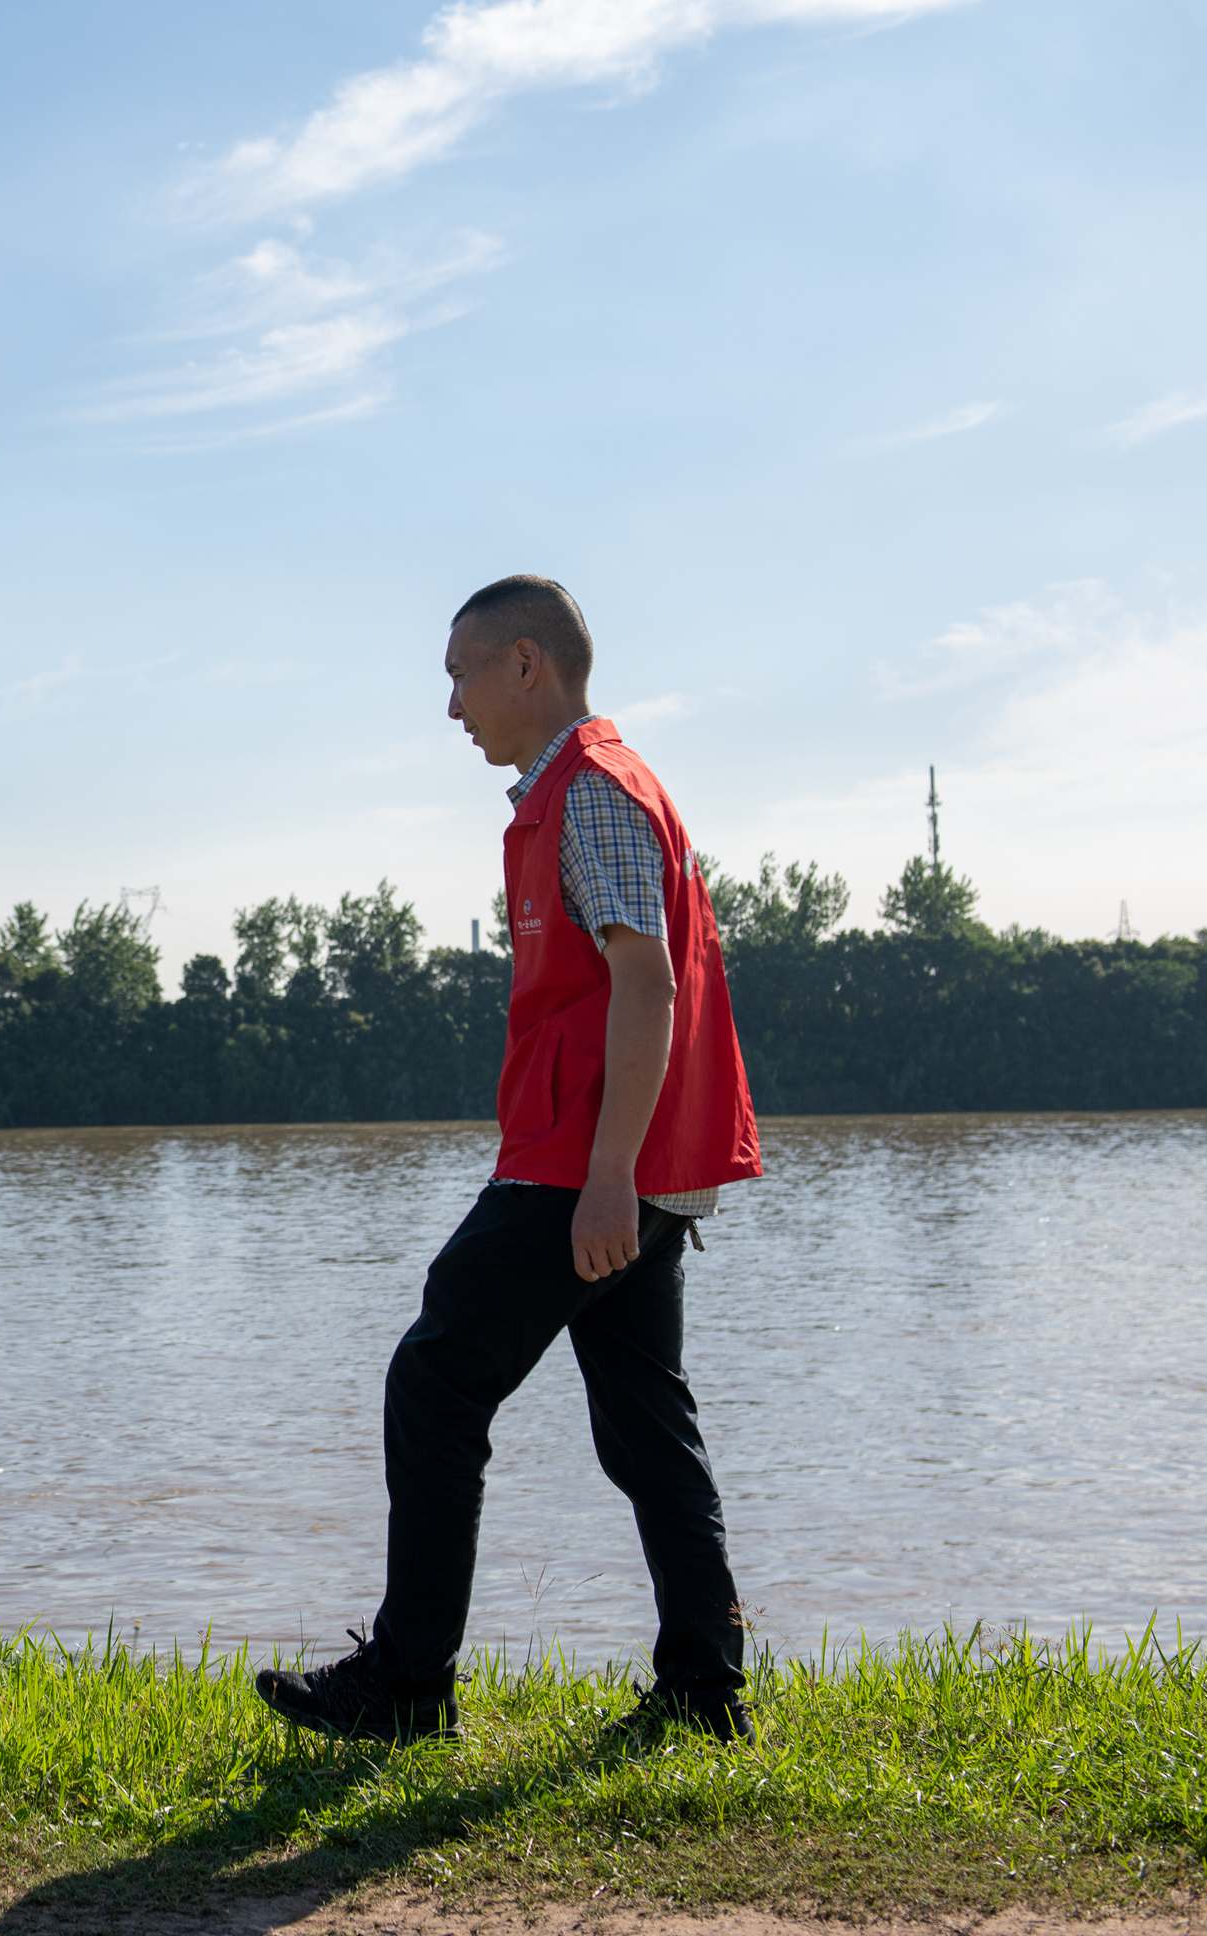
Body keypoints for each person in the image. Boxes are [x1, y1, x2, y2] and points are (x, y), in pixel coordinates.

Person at [255, 574, 765, 1747]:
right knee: (644, 1423)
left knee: (435, 1380)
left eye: (460, 675)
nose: (452, 707)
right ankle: (704, 1689)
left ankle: (407, 1685)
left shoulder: (593, 791)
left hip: (584, 1161)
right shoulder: (581, 790)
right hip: (617, 1156)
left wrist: (607, 1173)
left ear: (525, 663)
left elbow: (648, 983)